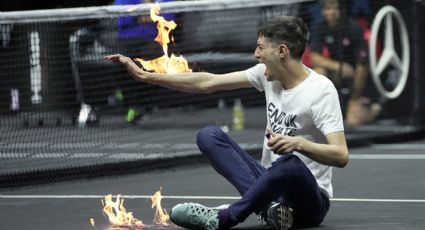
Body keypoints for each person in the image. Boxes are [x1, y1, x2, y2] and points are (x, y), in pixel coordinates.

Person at [105, 15, 349, 230]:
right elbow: (207, 82)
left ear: (282, 51)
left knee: (289, 164)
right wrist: (146, 76)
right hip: (271, 186)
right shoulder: (266, 76)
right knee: (208, 135)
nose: (256, 55)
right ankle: (268, 209)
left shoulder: (321, 91)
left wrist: (297, 144)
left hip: (310, 201)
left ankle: (225, 218)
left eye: (261, 48)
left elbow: (340, 155)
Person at [308, 0, 380, 128]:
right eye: (328, 9)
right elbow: (314, 58)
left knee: (353, 122)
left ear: (342, 10)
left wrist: (354, 98)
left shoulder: (354, 28)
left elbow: (362, 65)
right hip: (338, 74)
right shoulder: (320, 28)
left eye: (335, 9)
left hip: (356, 79)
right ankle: (323, 108)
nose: (331, 13)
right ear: (323, 11)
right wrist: (338, 66)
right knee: (319, 71)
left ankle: (374, 109)